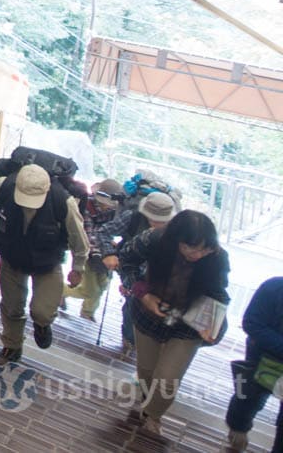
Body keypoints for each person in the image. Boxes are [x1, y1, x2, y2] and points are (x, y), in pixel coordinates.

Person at [117, 209, 229, 437]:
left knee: (167, 379)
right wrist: (143, 293)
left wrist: (214, 324)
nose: (197, 254)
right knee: (147, 371)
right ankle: (146, 403)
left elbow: (219, 294)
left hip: (189, 323)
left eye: (203, 249)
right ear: (176, 239)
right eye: (190, 247)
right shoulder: (154, 239)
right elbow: (126, 261)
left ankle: (152, 414)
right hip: (148, 313)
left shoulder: (217, 256)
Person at [0, 163, 89, 362]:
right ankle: (12, 344)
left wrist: (78, 268)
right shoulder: (3, 186)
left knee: (43, 311)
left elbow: (79, 239)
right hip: (12, 256)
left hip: (47, 262)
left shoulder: (64, 201)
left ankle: (42, 325)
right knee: (11, 306)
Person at [117, 190, 179, 358]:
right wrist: (132, 282)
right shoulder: (135, 219)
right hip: (143, 284)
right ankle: (131, 342)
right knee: (133, 308)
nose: (153, 223)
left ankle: (141, 348)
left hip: (163, 291)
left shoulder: (178, 234)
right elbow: (127, 260)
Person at [227, 276, 283, 452]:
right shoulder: (274, 287)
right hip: (261, 361)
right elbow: (252, 323)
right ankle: (238, 431)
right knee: (248, 400)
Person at [62, 178, 128, 322]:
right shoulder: (87, 205)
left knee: (103, 284)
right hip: (86, 250)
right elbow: (87, 234)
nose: (107, 207)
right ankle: (59, 291)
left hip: (104, 251)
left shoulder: (115, 210)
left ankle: (88, 312)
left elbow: (112, 230)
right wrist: (101, 253)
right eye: (105, 204)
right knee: (90, 290)